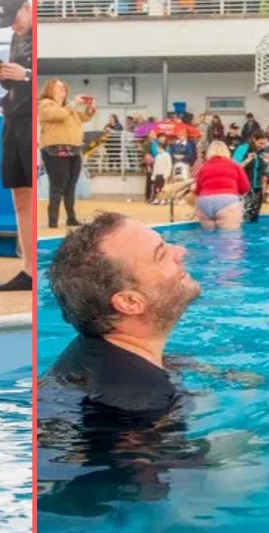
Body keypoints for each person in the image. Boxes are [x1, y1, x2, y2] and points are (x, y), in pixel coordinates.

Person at [45, 212, 202, 417]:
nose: (181, 251)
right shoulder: (143, 402)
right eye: (161, 255)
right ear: (129, 302)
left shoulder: (88, 351)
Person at [0, 0, 33, 292]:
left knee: (31, 192)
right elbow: (18, 77)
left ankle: (35, 267)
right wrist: (6, 75)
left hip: (31, 120)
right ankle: (28, 268)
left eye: (14, 18)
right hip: (13, 115)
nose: (13, 26)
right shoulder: (16, 37)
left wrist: (27, 75)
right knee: (18, 193)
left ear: (26, 6)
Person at [38, 79, 95, 227]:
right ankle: (53, 220)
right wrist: (73, 103)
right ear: (50, 89)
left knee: (71, 185)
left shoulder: (68, 108)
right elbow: (57, 115)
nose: (63, 90)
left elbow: (83, 118)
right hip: (55, 150)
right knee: (58, 185)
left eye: (64, 88)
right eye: (59, 87)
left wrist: (90, 108)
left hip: (73, 149)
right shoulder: (45, 104)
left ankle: (71, 217)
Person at [193, 141, 248, 231]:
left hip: (204, 202)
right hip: (227, 201)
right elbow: (244, 187)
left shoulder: (203, 167)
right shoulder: (234, 165)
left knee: (208, 240)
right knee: (230, 239)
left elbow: (198, 190)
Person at [232, 130, 269, 223]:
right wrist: (247, 160)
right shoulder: (243, 148)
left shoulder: (262, 152)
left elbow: (266, 171)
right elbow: (233, 167)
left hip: (258, 188)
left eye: (265, 144)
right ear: (254, 140)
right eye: (260, 143)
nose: (263, 146)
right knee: (244, 217)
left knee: (254, 217)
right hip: (244, 188)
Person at [149, 134, 172, 204]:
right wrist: (153, 175)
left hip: (163, 174)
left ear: (162, 148)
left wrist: (167, 174)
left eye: (158, 148)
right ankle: (157, 198)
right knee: (157, 187)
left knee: (163, 187)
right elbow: (155, 167)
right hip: (157, 174)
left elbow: (169, 165)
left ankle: (163, 199)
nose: (157, 149)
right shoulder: (157, 156)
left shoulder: (167, 155)